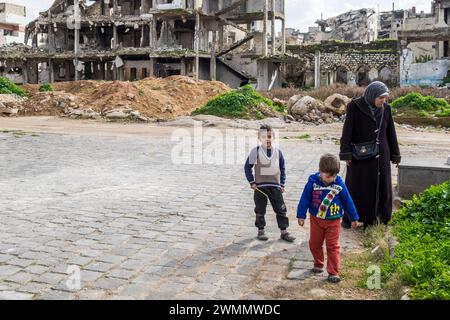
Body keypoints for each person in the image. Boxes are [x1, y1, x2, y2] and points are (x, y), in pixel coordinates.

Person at [340, 81, 401, 229]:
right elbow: (347, 131)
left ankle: (381, 218)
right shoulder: (354, 107)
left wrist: (395, 154)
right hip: (360, 156)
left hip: (382, 155)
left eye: (385, 98)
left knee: (382, 186)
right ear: (372, 95)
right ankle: (354, 218)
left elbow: (391, 133)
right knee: (358, 187)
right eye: (381, 98)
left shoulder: (386, 109)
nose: (383, 101)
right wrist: (346, 153)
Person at [296, 153, 359, 283]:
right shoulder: (312, 183)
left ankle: (333, 272)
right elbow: (305, 199)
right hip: (316, 220)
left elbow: (348, 201)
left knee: (332, 246)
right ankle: (318, 264)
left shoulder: (339, 184)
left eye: (334, 176)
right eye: (328, 176)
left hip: (334, 221)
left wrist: (353, 217)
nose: (331, 178)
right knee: (314, 244)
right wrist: (301, 215)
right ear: (320, 171)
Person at [244, 124, 296, 242]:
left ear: (273, 137)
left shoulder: (278, 152)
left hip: (275, 187)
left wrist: (282, 184)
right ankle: (261, 230)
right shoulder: (255, 151)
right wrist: (251, 182)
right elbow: (247, 167)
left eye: (269, 136)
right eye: (263, 137)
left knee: (281, 209)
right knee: (260, 210)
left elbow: (282, 169)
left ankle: (284, 231)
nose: (267, 139)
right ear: (259, 138)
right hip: (260, 187)